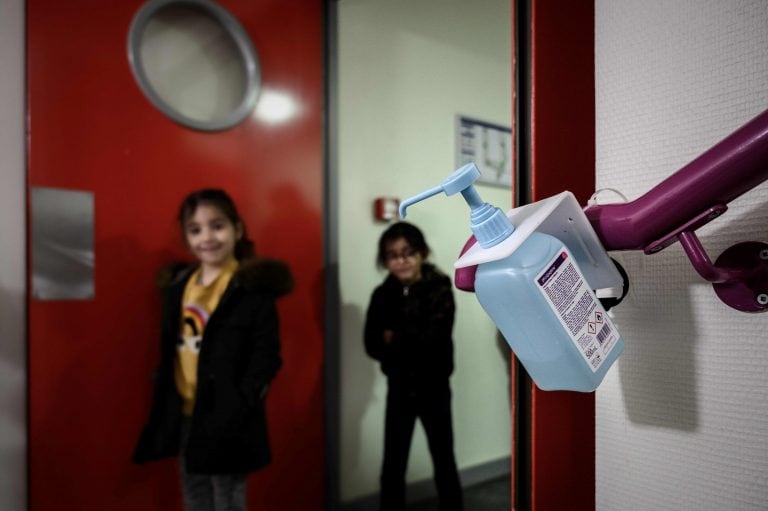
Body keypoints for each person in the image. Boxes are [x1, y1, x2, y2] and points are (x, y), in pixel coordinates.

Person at [133, 189, 293, 511]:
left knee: (228, 499)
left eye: (217, 225)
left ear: (238, 229)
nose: (207, 237)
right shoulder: (180, 286)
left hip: (228, 416)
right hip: (186, 413)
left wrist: (242, 400)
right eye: (195, 229)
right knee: (194, 495)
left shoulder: (250, 288)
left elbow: (267, 355)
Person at [364, 221, 463, 511]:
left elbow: (434, 339)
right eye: (393, 255)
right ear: (385, 261)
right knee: (393, 464)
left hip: (434, 387)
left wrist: (394, 337)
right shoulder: (381, 295)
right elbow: (372, 344)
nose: (401, 260)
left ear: (421, 253)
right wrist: (404, 339)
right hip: (399, 387)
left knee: (444, 458)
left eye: (408, 252)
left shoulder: (440, 286)